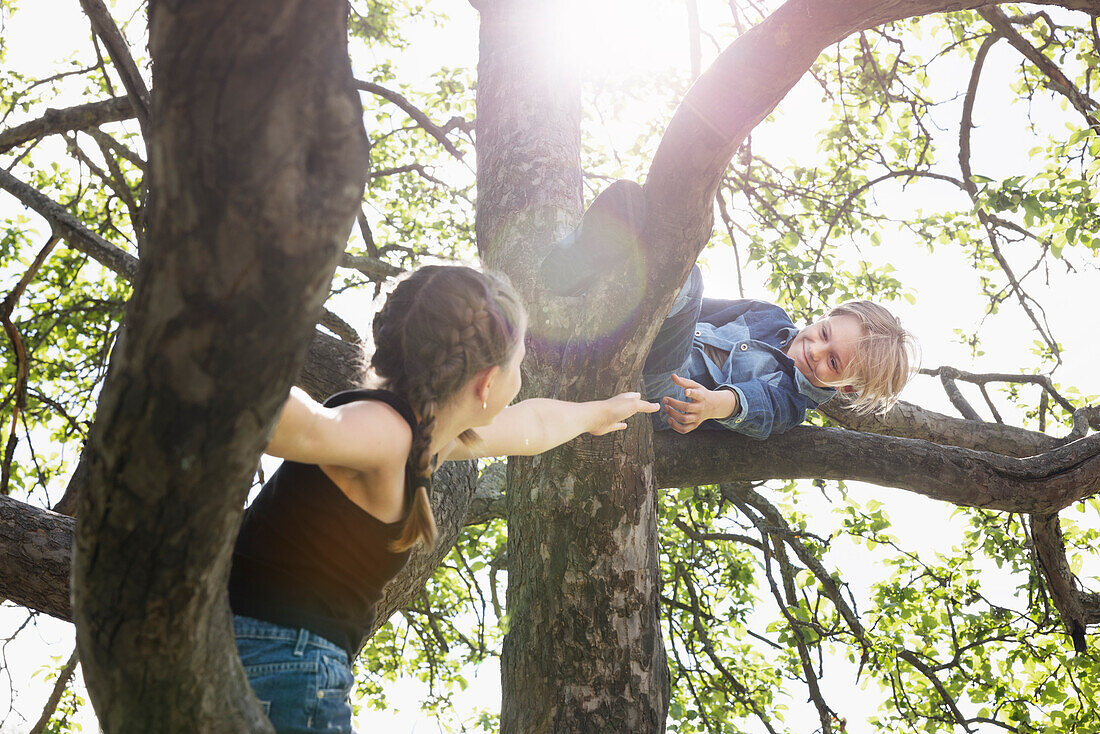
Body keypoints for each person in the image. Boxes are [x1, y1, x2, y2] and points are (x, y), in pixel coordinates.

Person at [229, 264, 658, 733]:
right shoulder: (388, 433)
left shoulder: (426, 438)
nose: (523, 375)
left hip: (279, 659)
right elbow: (305, 427)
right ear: (488, 383)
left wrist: (599, 412)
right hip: (285, 665)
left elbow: (532, 426)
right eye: (520, 362)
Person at [540, 180, 918, 438]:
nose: (815, 350)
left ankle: (610, 265)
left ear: (846, 386)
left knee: (688, 278)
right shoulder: (768, 316)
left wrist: (715, 404)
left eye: (832, 363)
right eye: (823, 334)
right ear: (826, 317)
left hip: (662, 392)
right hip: (654, 338)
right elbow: (699, 312)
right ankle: (581, 262)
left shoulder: (793, 401)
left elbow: (759, 406)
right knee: (680, 277)